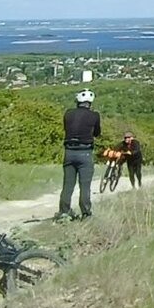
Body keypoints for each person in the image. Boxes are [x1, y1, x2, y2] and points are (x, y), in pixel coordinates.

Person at [58, 89, 101, 220]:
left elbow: (66, 128)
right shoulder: (94, 115)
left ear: (77, 101)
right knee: (85, 185)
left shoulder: (68, 113)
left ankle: (64, 212)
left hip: (69, 152)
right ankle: (86, 213)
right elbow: (97, 133)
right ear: (90, 103)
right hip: (85, 152)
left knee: (68, 184)